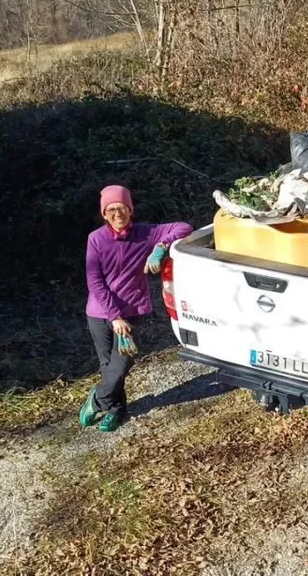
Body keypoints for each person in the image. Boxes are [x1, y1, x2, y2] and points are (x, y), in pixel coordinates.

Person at [79, 185, 193, 432]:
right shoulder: (96, 239)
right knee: (108, 364)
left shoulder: (145, 233)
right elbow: (94, 281)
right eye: (110, 210)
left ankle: (98, 399)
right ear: (104, 213)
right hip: (100, 313)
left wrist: (161, 246)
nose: (117, 214)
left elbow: (184, 227)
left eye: (121, 208)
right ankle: (116, 411)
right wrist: (114, 316)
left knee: (122, 365)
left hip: (131, 311)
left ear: (130, 210)